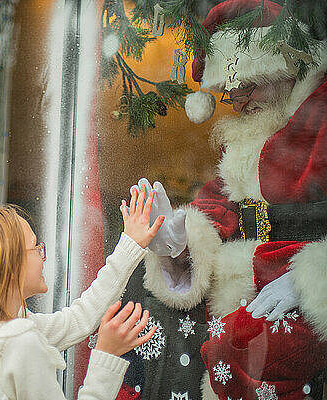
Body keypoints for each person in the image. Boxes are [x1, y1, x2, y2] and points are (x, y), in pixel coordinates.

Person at [130, 0, 327, 398]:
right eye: (229, 94)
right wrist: (180, 242)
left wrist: (313, 280)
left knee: (237, 346)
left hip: (297, 281)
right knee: (144, 307)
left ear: (281, 69)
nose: (237, 104)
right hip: (249, 274)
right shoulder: (246, 137)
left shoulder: (320, 117)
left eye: (246, 87)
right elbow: (217, 207)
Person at [0, 187, 164, 400]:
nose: (43, 255)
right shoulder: (19, 342)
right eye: (35, 246)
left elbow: (77, 320)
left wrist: (129, 246)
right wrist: (107, 355)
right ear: (10, 265)